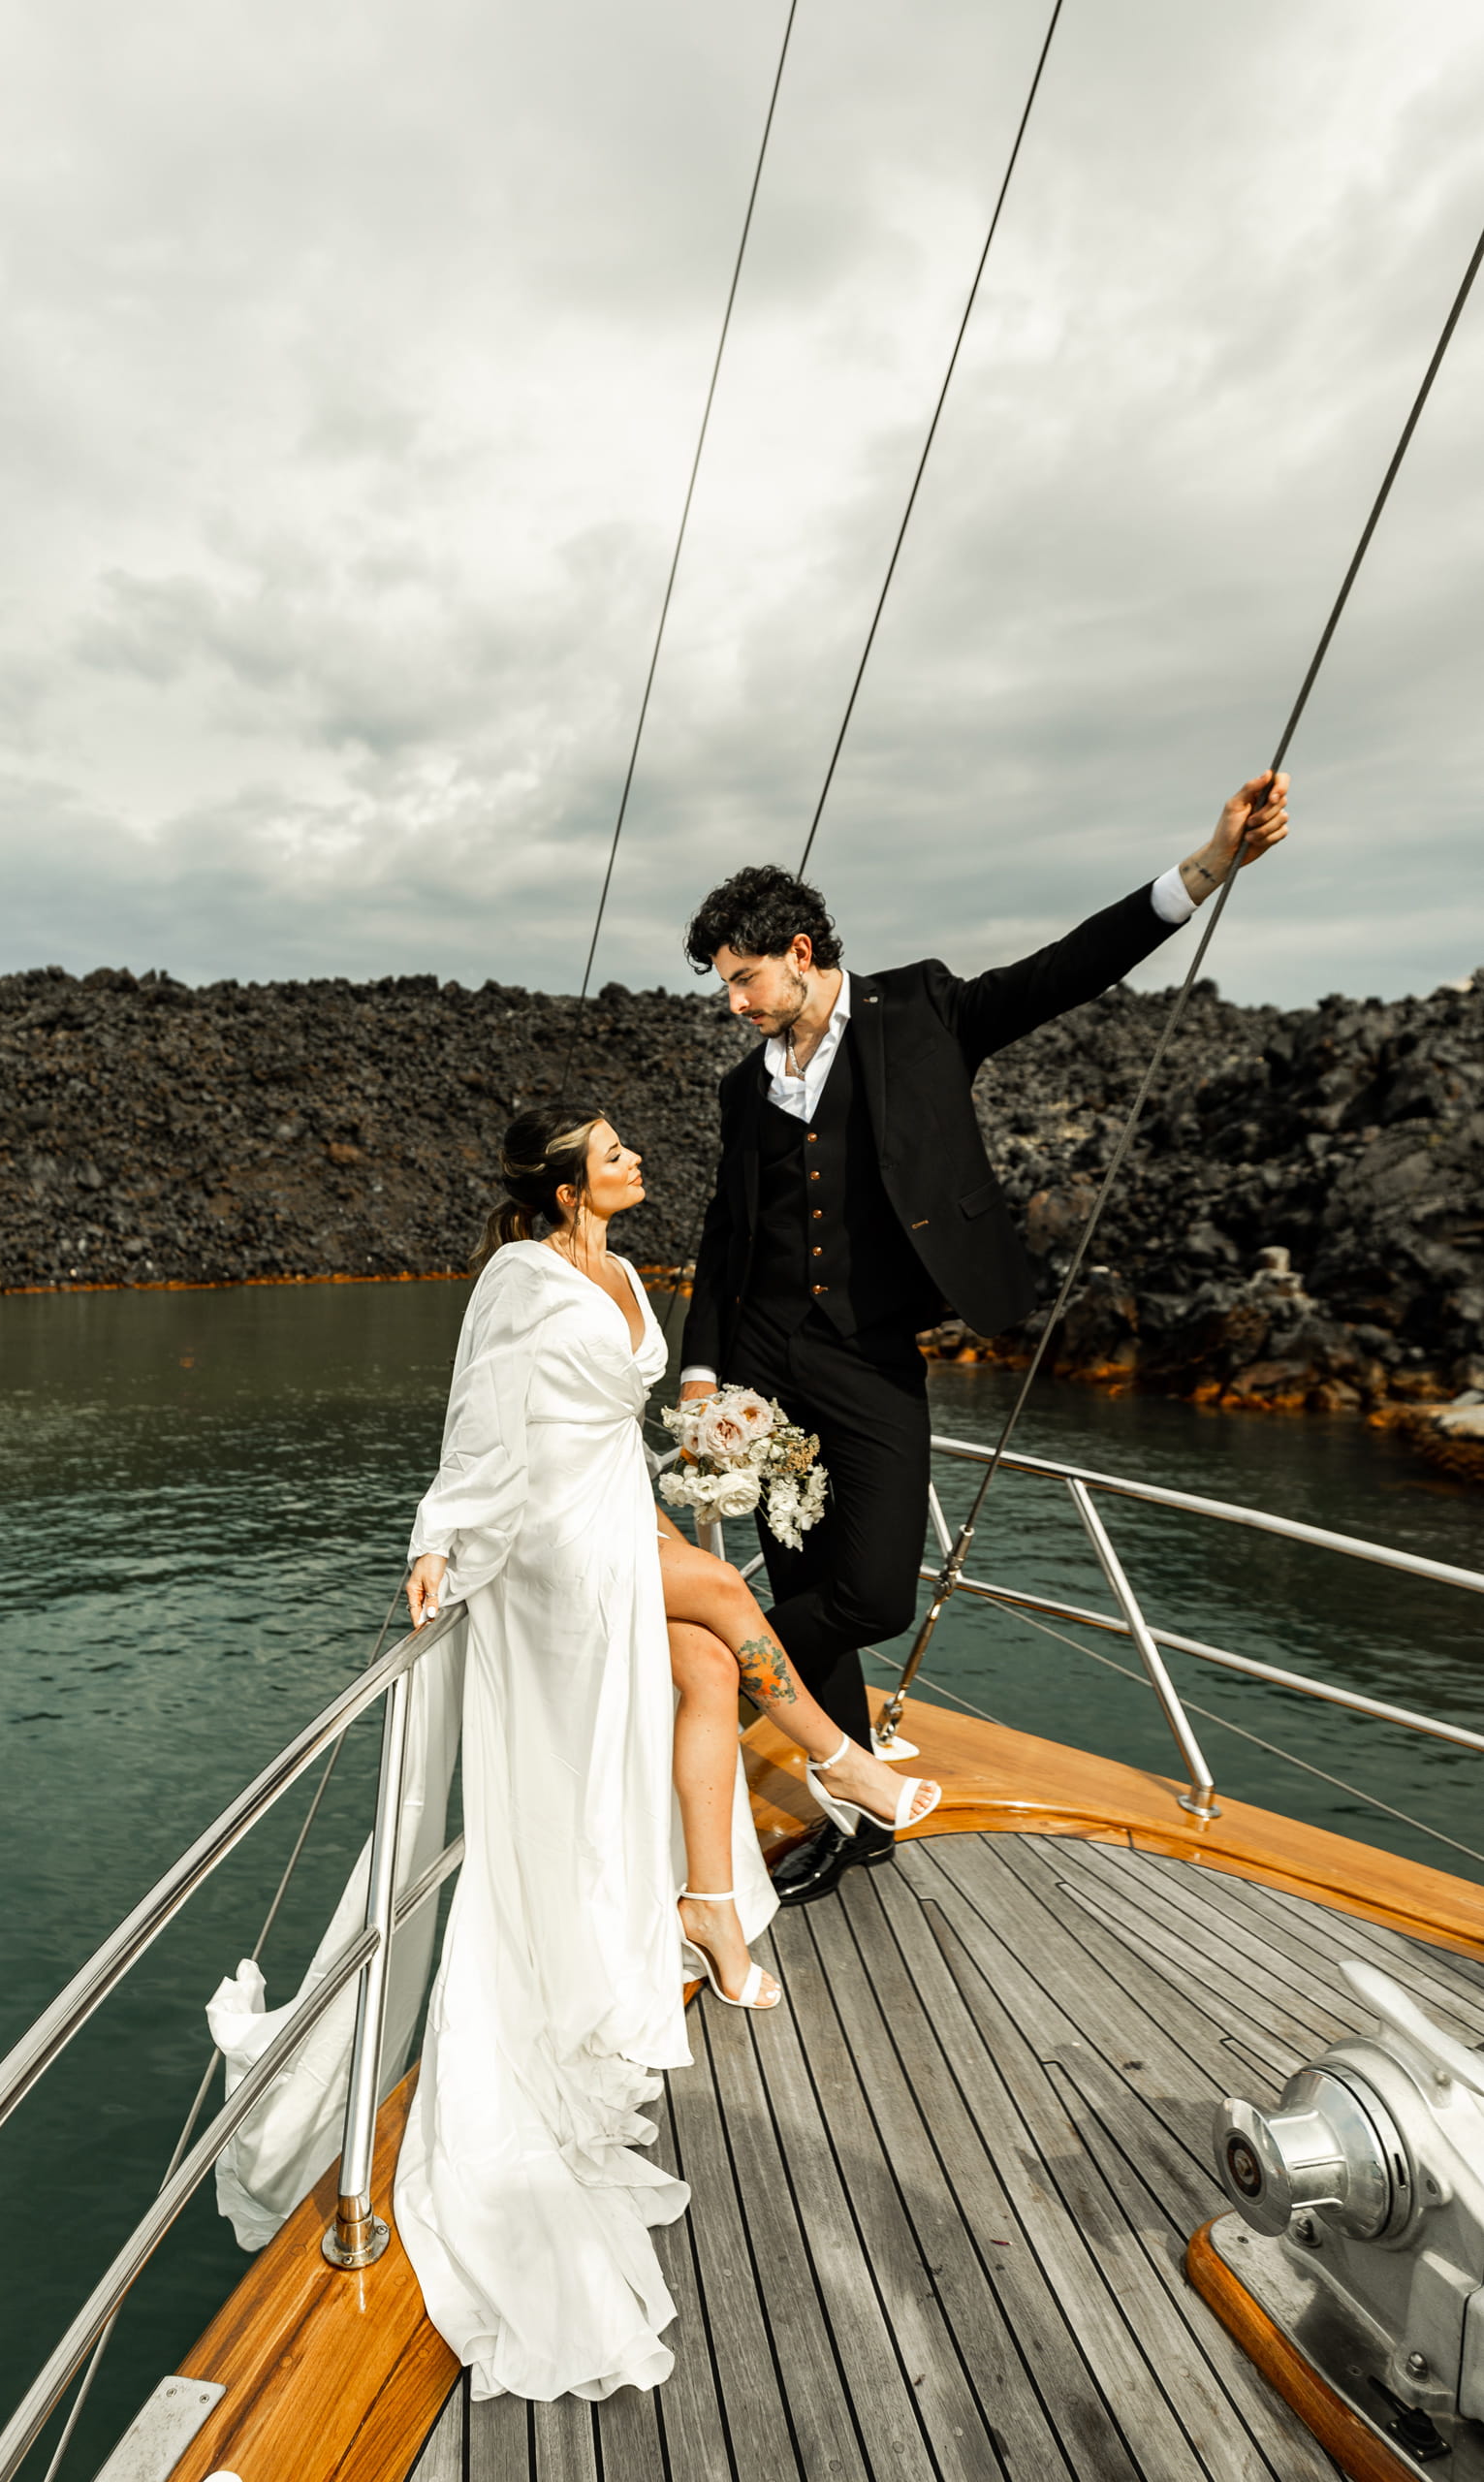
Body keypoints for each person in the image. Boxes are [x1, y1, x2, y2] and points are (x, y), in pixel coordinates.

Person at [395, 1107, 934, 2403]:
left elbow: (619, 1410)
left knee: (703, 1664)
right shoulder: (516, 1275)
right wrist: (436, 1534)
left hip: (617, 1508)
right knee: (740, 1612)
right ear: (564, 1181)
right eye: (610, 1147)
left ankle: (706, 1903)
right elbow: (481, 1419)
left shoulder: (627, 1273)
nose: (631, 1153)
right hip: (549, 1538)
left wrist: (711, 1451)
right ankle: (835, 1763)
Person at [679, 770, 1291, 1905]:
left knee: (872, 1597)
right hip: (763, 1375)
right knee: (817, 1589)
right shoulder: (740, 1091)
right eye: (726, 986)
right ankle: (855, 1811)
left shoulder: (922, 1011)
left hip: (870, 1357)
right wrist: (709, 1378)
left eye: (746, 978)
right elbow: (725, 1239)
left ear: (801, 951)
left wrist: (1205, 868)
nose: (735, 1003)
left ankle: (717, 1654)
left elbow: (1069, 968)